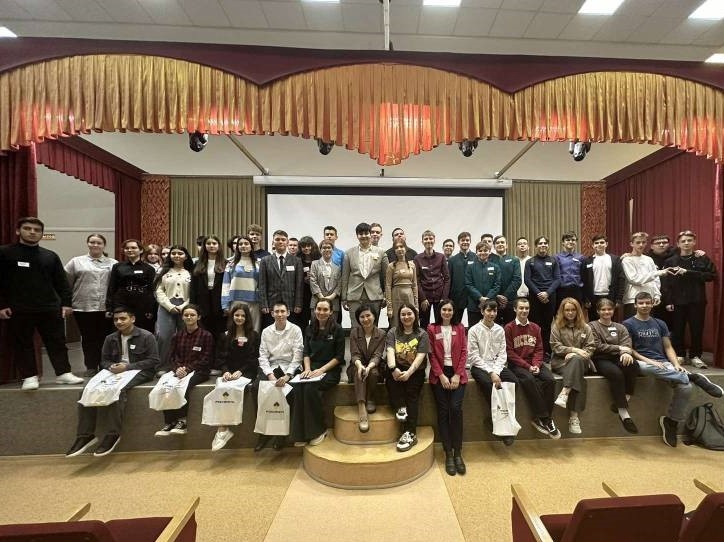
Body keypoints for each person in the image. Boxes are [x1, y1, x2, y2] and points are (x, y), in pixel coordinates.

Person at [624, 291, 723, 447]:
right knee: (646, 367)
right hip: (642, 363)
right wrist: (650, 361)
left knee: (686, 388)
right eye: (641, 303)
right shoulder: (628, 324)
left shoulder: (660, 323)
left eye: (647, 302)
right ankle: (692, 377)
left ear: (652, 304)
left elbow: (668, 347)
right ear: (635, 305)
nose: (644, 306)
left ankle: (671, 422)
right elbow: (630, 350)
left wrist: (676, 364)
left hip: (663, 363)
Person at [0, 217, 83, 390]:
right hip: (18, 308)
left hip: (49, 307)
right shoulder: (5, 253)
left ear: (41, 234)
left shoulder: (50, 256)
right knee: (23, 343)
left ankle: (63, 373)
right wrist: (2, 305)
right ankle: (29, 376)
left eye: (37, 230)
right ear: (18, 231)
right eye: (27, 228)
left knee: (57, 341)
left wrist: (66, 304)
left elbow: (61, 283)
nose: (32, 232)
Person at [65, 306, 159, 457]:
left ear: (132, 319)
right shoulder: (110, 338)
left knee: (117, 391)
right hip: (114, 372)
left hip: (140, 371)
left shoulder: (147, 336)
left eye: (123, 318)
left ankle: (113, 434)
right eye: (116, 319)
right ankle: (85, 435)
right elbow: (104, 361)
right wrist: (111, 366)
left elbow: (154, 360)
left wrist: (127, 367)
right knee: (86, 390)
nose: (119, 322)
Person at [504, 298, 560, 439]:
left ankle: (542, 419)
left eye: (527, 308)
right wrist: (528, 367)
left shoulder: (536, 328)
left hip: (534, 363)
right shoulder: (509, 328)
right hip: (518, 364)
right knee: (529, 379)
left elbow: (539, 349)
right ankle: (545, 418)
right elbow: (509, 353)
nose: (524, 311)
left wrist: (536, 364)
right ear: (515, 309)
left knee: (550, 380)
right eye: (521, 308)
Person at [291, 298, 344, 446]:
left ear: (331, 312)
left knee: (310, 388)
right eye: (319, 309)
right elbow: (306, 352)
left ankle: (318, 430)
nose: (321, 312)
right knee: (297, 388)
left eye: (325, 309)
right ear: (314, 310)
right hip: (311, 368)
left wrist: (321, 370)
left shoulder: (337, 329)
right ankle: (300, 434)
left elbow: (339, 357)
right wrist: (307, 369)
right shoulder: (309, 328)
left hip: (330, 370)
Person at [154, 304, 212, 437]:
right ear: (182, 317)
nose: (189, 317)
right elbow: (172, 356)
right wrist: (177, 368)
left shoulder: (206, 335)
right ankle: (169, 422)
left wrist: (187, 369)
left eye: (192, 315)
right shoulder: (177, 336)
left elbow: (206, 358)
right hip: (179, 370)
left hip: (199, 371)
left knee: (183, 386)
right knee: (166, 385)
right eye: (186, 315)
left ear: (198, 317)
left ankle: (182, 421)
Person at [468, 299, 520, 447]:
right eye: (489, 310)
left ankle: (504, 419)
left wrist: (496, 371)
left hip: (497, 365)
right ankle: (496, 420)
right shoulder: (473, 330)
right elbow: (474, 357)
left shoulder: (500, 330)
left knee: (514, 382)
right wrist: (491, 372)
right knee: (489, 384)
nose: (492, 314)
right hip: (480, 366)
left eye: (494, 311)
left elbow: (503, 354)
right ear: (482, 311)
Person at [64, 233, 117, 377]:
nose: (95, 245)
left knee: (106, 338)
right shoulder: (76, 262)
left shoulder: (113, 263)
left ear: (104, 245)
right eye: (92, 242)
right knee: (88, 338)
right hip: (83, 306)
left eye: (99, 243)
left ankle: (105, 365)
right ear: (88, 244)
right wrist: (66, 303)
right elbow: (66, 284)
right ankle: (91, 366)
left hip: (105, 308)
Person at [662, 230, 716, 368]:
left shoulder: (702, 258)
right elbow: (665, 284)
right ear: (678, 244)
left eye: (689, 240)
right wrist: (668, 301)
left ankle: (695, 356)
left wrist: (688, 273)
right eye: (683, 241)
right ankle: (679, 354)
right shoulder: (670, 261)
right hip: (677, 301)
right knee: (677, 329)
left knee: (697, 329)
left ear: (694, 242)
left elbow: (711, 276)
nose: (686, 243)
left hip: (697, 300)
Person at [210, 302, 259, 451]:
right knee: (221, 388)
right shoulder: (224, 336)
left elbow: (254, 359)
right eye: (237, 315)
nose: (239, 318)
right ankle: (223, 429)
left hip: (247, 372)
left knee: (233, 389)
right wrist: (225, 371)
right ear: (232, 317)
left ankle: (222, 428)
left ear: (247, 318)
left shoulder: (254, 335)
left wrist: (241, 372)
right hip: (229, 372)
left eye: (243, 315)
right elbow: (220, 358)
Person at [255, 302, 303, 451]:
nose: (280, 314)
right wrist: (269, 375)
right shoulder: (266, 331)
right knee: (257, 388)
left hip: (290, 367)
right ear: (272, 314)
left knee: (290, 391)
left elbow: (298, 356)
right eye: (277, 312)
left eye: (282, 311)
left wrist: (288, 375)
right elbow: (263, 356)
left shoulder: (295, 330)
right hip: (272, 367)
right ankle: (264, 432)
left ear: (288, 313)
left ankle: (282, 434)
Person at [429, 299, 468, 474]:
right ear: (439, 311)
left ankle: (458, 452)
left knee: (456, 409)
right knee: (443, 411)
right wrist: (441, 375)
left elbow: (464, 352)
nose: (446, 312)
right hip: (439, 374)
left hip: (458, 373)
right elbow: (431, 355)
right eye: (444, 309)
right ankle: (448, 454)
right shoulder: (432, 329)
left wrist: (458, 374)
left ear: (453, 312)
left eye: (449, 310)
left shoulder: (460, 328)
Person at [588, 298, 639, 434]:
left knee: (633, 365)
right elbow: (597, 346)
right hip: (600, 358)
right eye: (603, 309)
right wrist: (619, 348)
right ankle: (624, 414)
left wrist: (626, 353)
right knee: (616, 374)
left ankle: (624, 399)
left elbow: (626, 343)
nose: (606, 312)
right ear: (598, 311)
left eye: (609, 309)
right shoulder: (592, 326)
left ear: (613, 310)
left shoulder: (620, 327)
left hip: (618, 356)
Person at [385, 304, 429, 452]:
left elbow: (420, 358)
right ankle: (400, 407)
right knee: (390, 378)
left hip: (415, 370)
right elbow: (390, 351)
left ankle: (410, 433)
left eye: (409, 313)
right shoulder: (393, 332)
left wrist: (409, 373)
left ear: (415, 315)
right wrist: (393, 369)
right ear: (399, 317)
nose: (406, 317)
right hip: (397, 367)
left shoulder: (422, 334)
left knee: (411, 395)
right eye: (403, 314)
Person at [550, 297, 595, 435]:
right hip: (561, 362)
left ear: (578, 311)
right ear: (562, 311)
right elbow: (555, 346)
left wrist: (577, 355)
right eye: (567, 310)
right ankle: (574, 418)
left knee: (576, 361)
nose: (570, 313)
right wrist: (573, 350)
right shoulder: (557, 326)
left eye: (573, 310)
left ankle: (565, 392)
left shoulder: (586, 327)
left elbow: (590, 347)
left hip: (581, 361)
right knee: (578, 377)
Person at [154, 245, 194, 370]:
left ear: (186, 256)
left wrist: (184, 306)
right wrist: (169, 306)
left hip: (186, 307)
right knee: (164, 336)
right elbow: (158, 291)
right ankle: (163, 366)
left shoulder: (192, 272)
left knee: (186, 336)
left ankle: (184, 365)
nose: (176, 256)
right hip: (166, 306)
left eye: (180, 253)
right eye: (174, 253)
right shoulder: (163, 271)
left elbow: (194, 292)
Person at [341, 222, 389, 327]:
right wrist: (344, 298)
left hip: (374, 295)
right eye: (360, 234)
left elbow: (387, 277)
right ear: (357, 236)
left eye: (366, 233)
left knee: (373, 328)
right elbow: (345, 277)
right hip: (354, 296)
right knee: (356, 327)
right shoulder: (349, 253)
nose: (363, 236)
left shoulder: (381, 252)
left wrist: (386, 296)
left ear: (370, 234)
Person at [348, 304, 386, 432]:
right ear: (358, 319)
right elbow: (354, 354)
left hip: (374, 365)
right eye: (362, 317)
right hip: (356, 364)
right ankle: (361, 406)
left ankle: (370, 398)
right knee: (359, 373)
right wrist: (360, 366)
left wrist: (369, 367)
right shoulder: (354, 332)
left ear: (374, 316)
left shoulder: (381, 333)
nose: (365, 319)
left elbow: (378, 355)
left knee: (373, 373)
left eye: (368, 315)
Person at [106, 239, 157, 332]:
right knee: (121, 328)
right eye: (127, 248)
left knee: (142, 329)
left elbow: (151, 290)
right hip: (121, 301)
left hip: (141, 302)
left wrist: (150, 309)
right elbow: (112, 287)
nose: (130, 250)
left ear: (141, 250)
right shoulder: (117, 266)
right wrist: (109, 308)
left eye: (133, 248)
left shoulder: (149, 269)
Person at [258, 229, 304, 328]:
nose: (280, 242)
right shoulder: (265, 261)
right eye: (277, 239)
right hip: (271, 304)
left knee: (290, 331)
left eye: (283, 239)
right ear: (273, 242)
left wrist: (298, 304)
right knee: (271, 330)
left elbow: (299, 285)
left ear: (287, 242)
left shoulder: (296, 261)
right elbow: (262, 284)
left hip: (291, 304)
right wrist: (264, 304)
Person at [524, 236, 560, 356]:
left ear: (548, 245)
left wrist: (547, 293)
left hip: (550, 297)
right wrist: (538, 293)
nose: (543, 245)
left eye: (545, 243)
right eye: (540, 243)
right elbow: (527, 280)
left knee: (547, 325)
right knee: (534, 325)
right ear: (536, 246)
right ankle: (534, 352)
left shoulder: (553, 261)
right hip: (535, 297)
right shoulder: (530, 262)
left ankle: (546, 352)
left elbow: (557, 279)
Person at [621, 232, 667, 319]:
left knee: (648, 325)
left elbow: (655, 280)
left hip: (649, 298)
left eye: (643, 242)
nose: (641, 245)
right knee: (632, 325)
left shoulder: (649, 259)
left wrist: (657, 295)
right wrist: (658, 272)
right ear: (631, 244)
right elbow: (634, 279)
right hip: (633, 298)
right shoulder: (627, 260)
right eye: (638, 242)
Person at [221, 235, 261, 332]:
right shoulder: (231, 263)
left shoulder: (259, 263)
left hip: (254, 302)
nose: (243, 246)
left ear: (251, 246)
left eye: (246, 243)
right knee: (236, 330)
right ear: (237, 247)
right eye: (240, 244)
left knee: (254, 330)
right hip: (236, 301)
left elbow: (262, 284)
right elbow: (226, 285)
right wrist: (225, 304)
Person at [190, 235, 226, 340]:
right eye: (208, 243)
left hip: (219, 303)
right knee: (203, 333)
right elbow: (193, 287)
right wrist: (192, 305)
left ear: (219, 246)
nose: (211, 246)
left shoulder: (226, 263)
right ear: (204, 246)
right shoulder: (197, 263)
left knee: (219, 334)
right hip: (202, 302)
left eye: (214, 243)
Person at [582, 235, 624, 322]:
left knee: (611, 322)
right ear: (593, 245)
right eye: (596, 243)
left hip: (610, 296)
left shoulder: (615, 259)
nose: (599, 245)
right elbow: (584, 281)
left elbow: (621, 279)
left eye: (602, 242)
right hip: (593, 298)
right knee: (594, 323)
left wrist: (619, 299)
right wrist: (585, 299)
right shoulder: (587, 261)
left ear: (606, 244)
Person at [414, 230, 450, 328]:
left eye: (431, 238)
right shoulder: (417, 258)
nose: (428, 241)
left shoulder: (441, 257)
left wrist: (444, 298)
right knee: (424, 324)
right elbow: (416, 280)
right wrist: (422, 298)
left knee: (440, 323)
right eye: (426, 239)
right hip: (425, 297)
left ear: (434, 240)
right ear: (422, 242)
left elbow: (447, 278)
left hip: (440, 297)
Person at [464, 240, 501, 327]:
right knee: (473, 329)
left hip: (490, 305)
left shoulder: (495, 267)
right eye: (480, 251)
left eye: (485, 250)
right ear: (476, 252)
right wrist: (480, 298)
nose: (483, 253)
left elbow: (497, 285)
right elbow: (468, 284)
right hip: (474, 305)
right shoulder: (470, 267)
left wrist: (487, 299)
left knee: (490, 329)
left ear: (489, 252)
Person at [386, 241, 419, 328]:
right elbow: (388, 286)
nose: (399, 249)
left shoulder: (412, 265)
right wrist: (389, 308)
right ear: (394, 251)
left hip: (409, 295)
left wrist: (416, 305)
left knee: (410, 321)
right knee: (397, 322)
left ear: (406, 249)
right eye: (396, 247)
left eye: (401, 246)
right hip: (396, 296)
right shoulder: (391, 266)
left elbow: (415, 285)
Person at [492, 235, 521, 326]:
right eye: (497, 243)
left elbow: (517, 280)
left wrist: (504, 297)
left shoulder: (514, 260)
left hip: (510, 300)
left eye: (502, 242)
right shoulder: (489, 260)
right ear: (494, 246)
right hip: (493, 300)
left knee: (510, 328)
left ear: (507, 245)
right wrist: (496, 295)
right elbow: (487, 281)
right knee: (494, 328)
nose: (500, 244)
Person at [447, 231, 474, 324]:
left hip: (472, 297)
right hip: (457, 296)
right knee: (455, 323)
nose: (465, 242)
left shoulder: (476, 258)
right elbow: (449, 279)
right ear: (458, 242)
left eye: (467, 240)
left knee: (473, 323)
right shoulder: (452, 260)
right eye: (462, 240)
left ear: (470, 242)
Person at [554, 231, 585, 311]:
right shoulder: (557, 257)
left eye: (573, 240)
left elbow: (584, 275)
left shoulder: (581, 258)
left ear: (576, 242)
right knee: (561, 313)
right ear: (563, 243)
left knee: (577, 313)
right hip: (562, 290)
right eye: (568, 240)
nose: (571, 242)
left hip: (577, 290)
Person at [309, 239, 342, 315]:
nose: (327, 250)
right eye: (324, 248)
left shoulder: (338, 267)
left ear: (333, 250)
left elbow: (339, 284)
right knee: (316, 322)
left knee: (332, 323)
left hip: (333, 303)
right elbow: (313, 281)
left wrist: (331, 297)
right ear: (320, 250)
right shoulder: (314, 264)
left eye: (329, 247)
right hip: (317, 302)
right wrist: (321, 297)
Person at [297, 236, 321, 330]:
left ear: (313, 246)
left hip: (316, 293)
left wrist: (314, 278)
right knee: (303, 320)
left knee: (317, 319)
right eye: (303, 246)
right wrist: (304, 279)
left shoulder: (319, 260)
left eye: (308, 246)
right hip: (303, 294)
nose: (306, 248)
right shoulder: (297, 260)